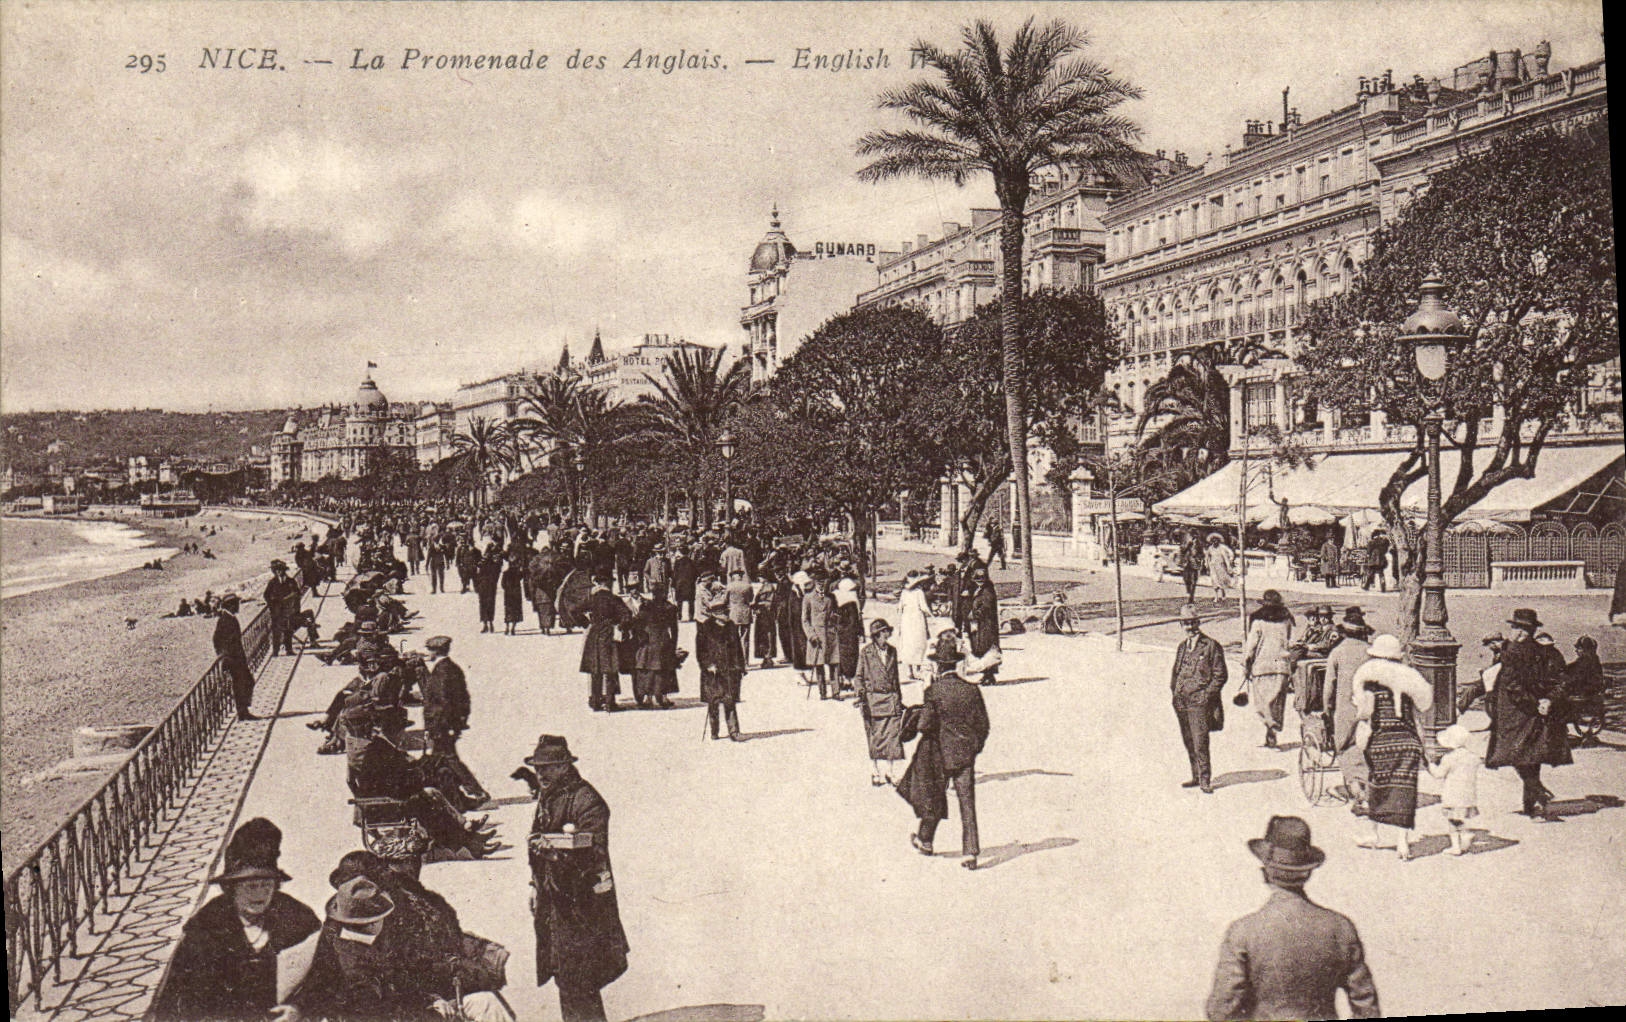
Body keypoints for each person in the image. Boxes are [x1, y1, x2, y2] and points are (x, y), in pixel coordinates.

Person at [1205, 816, 1379, 1021]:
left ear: (1265, 873)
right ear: (1307, 873)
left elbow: (1221, 1009)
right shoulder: (1340, 927)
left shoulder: (1243, 931)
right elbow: (1366, 1005)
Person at [150, 818, 320, 1022]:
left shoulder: (298, 917)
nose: (260, 894)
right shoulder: (206, 925)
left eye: (266, 884)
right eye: (251, 886)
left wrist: (299, 1009)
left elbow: (326, 978)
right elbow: (177, 999)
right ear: (232, 888)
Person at [523, 735, 630, 1022]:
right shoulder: (551, 794)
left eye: (547, 768)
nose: (540, 774)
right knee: (564, 973)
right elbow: (536, 836)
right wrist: (535, 885)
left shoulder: (587, 800)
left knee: (580, 977)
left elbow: (594, 854)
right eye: (537, 768)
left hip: (583, 905)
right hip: (555, 900)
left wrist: (557, 856)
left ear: (564, 767)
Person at [899, 631, 990, 870]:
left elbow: (925, 725)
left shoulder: (934, 691)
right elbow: (984, 725)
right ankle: (970, 853)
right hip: (964, 754)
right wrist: (973, 747)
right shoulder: (972, 690)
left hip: (940, 753)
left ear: (938, 666)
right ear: (957, 663)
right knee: (967, 803)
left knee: (933, 797)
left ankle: (925, 840)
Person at [1352, 634, 1433, 860]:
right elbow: (1421, 709)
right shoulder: (1408, 681)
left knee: (1378, 785)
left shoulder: (1370, 680)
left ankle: (1373, 834)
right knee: (1405, 790)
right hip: (1407, 741)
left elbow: (1366, 713)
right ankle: (1402, 844)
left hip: (1382, 740)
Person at [1485, 607, 1572, 817]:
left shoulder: (1513, 652)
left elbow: (1512, 686)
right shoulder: (1543, 651)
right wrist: (1547, 700)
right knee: (1530, 755)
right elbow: (1561, 679)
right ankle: (1531, 802)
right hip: (1535, 710)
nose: (1518, 631)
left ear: (1528, 630)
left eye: (1521, 628)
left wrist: (1540, 701)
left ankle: (1536, 792)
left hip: (1516, 712)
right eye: (1517, 627)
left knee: (1517, 754)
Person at [422, 635, 488, 806]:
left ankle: (476, 792)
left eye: (429, 650)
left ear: (436, 651)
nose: (427, 653)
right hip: (448, 723)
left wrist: (436, 725)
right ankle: (455, 796)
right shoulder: (451, 668)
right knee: (440, 759)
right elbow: (463, 698)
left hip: (442, 725)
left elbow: (442, 702)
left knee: (449, 758)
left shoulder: (442, 671)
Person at [1171, 604, 1227, 793]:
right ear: (1181, 625)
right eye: (1186, 623)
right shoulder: (1182, 647)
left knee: (1200, 741)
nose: (1190, 627)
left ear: (1199, 623)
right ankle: (1195, 775)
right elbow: (1176, 672)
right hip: (1181, 702)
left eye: (1193, 623)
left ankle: (1205, 779)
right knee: (1188, 740)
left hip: (1199, 703)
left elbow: (1220, 676)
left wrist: (1205, 696)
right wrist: (1175, 692)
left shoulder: (1211, 646)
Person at [1321, 607, 1373, 810]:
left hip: (1345, 709)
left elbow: (1329, 687)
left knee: (1344, 747)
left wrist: (1327, 709)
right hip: (1368, 707)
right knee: (1366, 747)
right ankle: (1366, 787)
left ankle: (1358, 793)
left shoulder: (1337, 652)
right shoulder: (1371, 651)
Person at [1241, 591, 1295, 748]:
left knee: (1262, 702)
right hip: (1281, 666)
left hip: (1262, 666)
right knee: (1277, 701)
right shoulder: (1286, 621)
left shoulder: (1258, 623)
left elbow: (1251, 647)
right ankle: (1273, 728)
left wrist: (1246, 664)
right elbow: (1288, 640)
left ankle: (1269, 725)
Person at [855, 618, 905, 786]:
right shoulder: (866, 652)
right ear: (875, 636)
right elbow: (859, 676)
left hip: (891, 699)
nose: (886, 635)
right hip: (873, 701)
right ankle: (875, 771)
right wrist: (859, 695)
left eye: (887, 632)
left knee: (893, 737)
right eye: (883, 632)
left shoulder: (892, 651)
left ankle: (890, 772)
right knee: (875, 738)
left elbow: (896, 677)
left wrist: (899, 699)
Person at [1427, 723, 1482, 856]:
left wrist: (1430, 764)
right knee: (1459, 818)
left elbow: (1438, 774)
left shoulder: (1449, 758)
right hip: (1468, 793)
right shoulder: (1473, 757)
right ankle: (1464, 835)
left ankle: (1457, 844)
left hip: (1453, 794)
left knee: (1452, 821)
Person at [579, 571, 630, 712]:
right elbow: (627, 615)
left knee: (595, 669)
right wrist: (620, 626)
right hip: (608, 634)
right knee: (610, 669)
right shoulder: (613, 598)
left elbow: (575, 610)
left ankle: (595, 702)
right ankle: (610, 702)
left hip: (594, 634)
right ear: (607, 583)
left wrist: (585, 622)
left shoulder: (591, 598)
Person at [697, 592, 745, 740]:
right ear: (716, 614)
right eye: (724, 613)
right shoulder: (705, 628)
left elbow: (738, 648)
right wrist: (707, 665)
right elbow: (700, 651)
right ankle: (714, 730)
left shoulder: (731, 626)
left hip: (730, 670)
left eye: (727, 612)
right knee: (714, 702)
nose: (727, 615)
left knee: (730, 700)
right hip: (713, 672)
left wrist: (741, 666)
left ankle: (734, 732)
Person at [630, 582, 680, 709]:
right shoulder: (670, 608)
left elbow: (636, 623)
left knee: (648, 669)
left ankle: (648, 698)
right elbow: (674, 630)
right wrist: (673, 645)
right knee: (665, 669)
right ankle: (663, 697)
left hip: (649, 641)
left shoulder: (646, 606)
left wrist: (640, 637)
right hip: (664, 641)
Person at [213, 594, 257, 721]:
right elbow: (217, 639)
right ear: (231, 605)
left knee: (245, 682)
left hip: (236, 658)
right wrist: (224, 655)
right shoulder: (225, 619)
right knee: (242, 683)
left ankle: (243, 710)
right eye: (236, 604)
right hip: (233, 659)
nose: (238, 606)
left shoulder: (229, 617)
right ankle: (243, 712)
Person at [964, 563, 1001, 686]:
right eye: (977, 580)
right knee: (980, 648)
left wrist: (975, 614)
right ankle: (986, 674)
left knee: (988, 648)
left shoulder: (987, 591)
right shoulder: (980, 589)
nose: (979, 582)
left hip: (987, 625)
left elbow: (986, 607)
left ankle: (990, 676)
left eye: (981, 580)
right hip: (981, 625)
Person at [802, 571, 834, 696]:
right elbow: (805, 620)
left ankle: (835, 692)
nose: (821, 585)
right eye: (819, 582)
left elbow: (832, 616)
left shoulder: (829, 598)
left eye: (823, 582)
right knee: (819, 665)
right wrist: (811, 635)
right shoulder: (808, 598)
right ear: (815, 583)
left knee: (833, 663)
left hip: (829, 635)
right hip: (816, 635)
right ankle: (823, 692)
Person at [895, 571, 933, 678]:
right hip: (917, 619)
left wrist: (900, 622)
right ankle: (918, 669)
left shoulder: (904, 592)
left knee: (908, 642)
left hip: (906, 619)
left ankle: (909, 670)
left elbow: (899, 607)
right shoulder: (919, 592)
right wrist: (931, 615)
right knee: (918, 642)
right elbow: (924, 607)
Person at [263, 559, 302, 657]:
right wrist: (272, 604)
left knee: (288, 630)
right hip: (276, 611)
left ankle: (289, 650)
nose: (279, 572)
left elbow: (297, 593)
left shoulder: (291, 581)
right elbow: (266, 595)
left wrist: (293, 604)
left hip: (288, 610)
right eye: (277, 570)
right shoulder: (272, 582)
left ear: (284, 570)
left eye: (280, 570)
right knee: (276, 631)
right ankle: (275, 651)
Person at [833, 577, 863, 697]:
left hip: (845, 634)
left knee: (844, 656)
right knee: (848, 657)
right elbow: (856, 619)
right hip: (848, 634)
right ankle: (846, 679)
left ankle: (845, 679)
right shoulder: (850, 601)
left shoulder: (838, 597)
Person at [502, 550, 527, 636]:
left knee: (508, 611)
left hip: (508, 595)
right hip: (516, 594)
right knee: (516, 611)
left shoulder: (505, 573)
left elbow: (503, 585)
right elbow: (523, 574)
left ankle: (507, 627)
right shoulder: (518, 573)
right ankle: (513, 628)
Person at [1205, 534, 1235, 604]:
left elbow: (1231, 553)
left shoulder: (1222, 547)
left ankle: (1223, 595)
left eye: (1216, 540)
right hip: (1213, 567)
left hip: (1221, 566)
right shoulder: (1210, 548)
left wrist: (1230, 560)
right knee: (1214, 581)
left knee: (1221, 580)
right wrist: (1207, 565)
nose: (1215, 541)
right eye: (1213, 540)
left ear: (1218, 541)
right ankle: (1216, 596)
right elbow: (1207, 557)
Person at [1179, 530, 1203, 601]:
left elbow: (1202, 554)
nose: (1194, 537)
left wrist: (1198, 557)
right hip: (1187, 563)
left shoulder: (1199, 544)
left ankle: (1191, 596)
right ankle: (1189, 591)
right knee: (1186, 579)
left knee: (1194, 580)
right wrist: (1187, 546)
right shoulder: (1187, 542)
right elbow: (1182, 551)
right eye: (1192, 535)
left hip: (1195, 563)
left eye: (1195, 535)